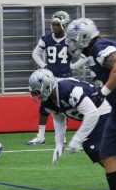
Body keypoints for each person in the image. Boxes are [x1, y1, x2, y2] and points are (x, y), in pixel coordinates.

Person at [66, 18, 116, 190]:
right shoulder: (96, 51)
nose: (71, 44)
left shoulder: (101, 46)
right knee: (108, 152)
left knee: (108, 152)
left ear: (83, 36)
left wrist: (103, 92)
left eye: (73, 39)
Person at [27, 11, 88, 145]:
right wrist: (44, 66)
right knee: (44, 107)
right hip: (50, 79)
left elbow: (85, 56)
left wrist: (73, 66)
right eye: (53, 24)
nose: (54, 27)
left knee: (65, 107)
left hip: (66, 79)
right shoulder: (46, 39)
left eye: (57, 25)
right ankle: (40, 136)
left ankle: (62, 136)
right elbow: (35, 54)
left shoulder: (71, 40)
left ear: (64, 25)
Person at [28, 69, 111, 166]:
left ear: (47, 86)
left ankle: (115, 174)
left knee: (92, 146)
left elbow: (92, 113)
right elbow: (58, 117)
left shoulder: (68, 90)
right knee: (100, 148)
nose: (36, 96)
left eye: (37, 92)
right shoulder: (48, 102)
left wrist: (77, 139)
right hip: (95, 113)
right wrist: (59, 143)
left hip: (102, 109)